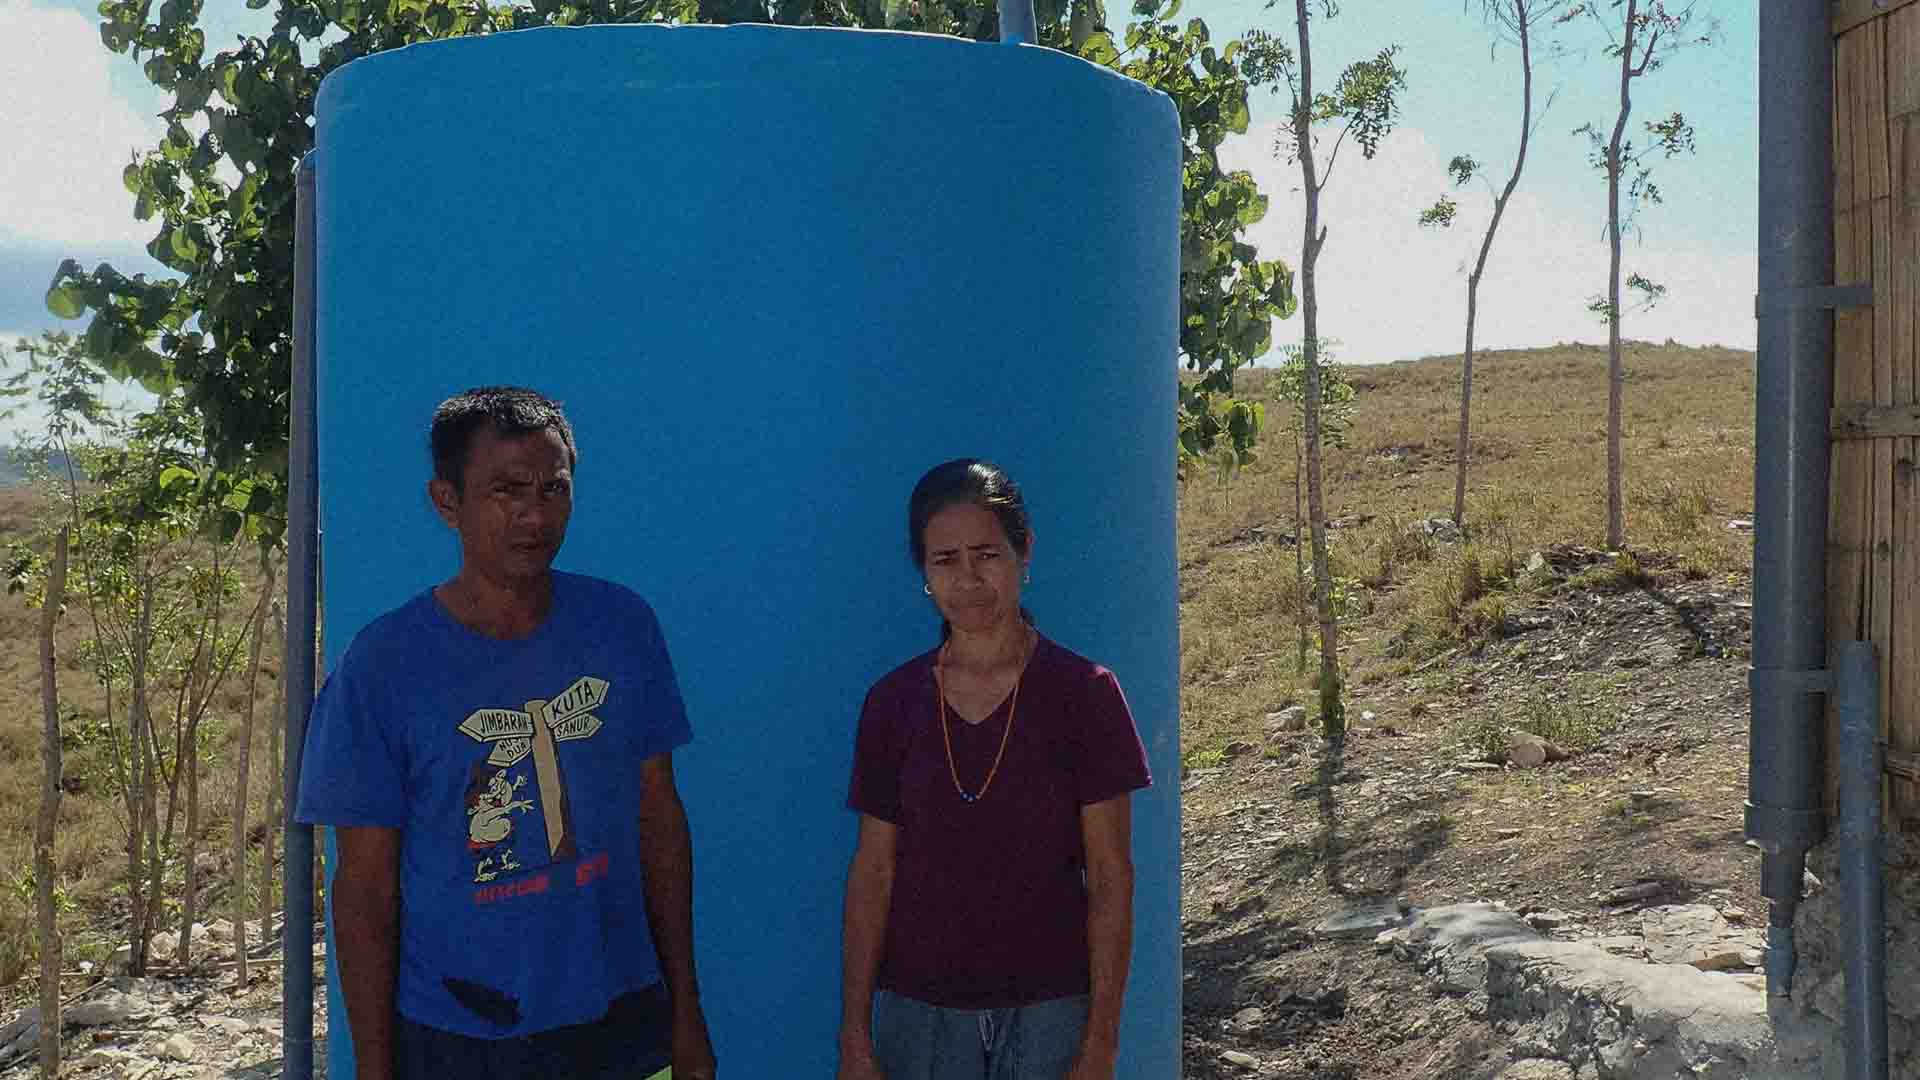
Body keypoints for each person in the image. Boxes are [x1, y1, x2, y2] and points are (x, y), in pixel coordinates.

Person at [295, 386, 716, 1080]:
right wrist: (374, 1068)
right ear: (447, 502)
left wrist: (686, 1012)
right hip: (462, 1035)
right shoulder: (384, 666)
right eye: (506, 489)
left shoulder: (621, 627)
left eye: (555, 487)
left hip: (624, 1017)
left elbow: (660, 822)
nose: (534, 512)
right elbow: (364, 889)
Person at [838, 459, 1152, 1080]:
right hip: (919, 1017)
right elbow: (873, 870)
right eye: (944, 560)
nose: (969, 579)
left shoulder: (1084, 693)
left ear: (1023, 552)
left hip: (1050, 1014)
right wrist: (854, 1033)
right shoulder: (892, 702)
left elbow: (1111, 878)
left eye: (987, 554)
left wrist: (1100, 1045)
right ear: (922, 571)